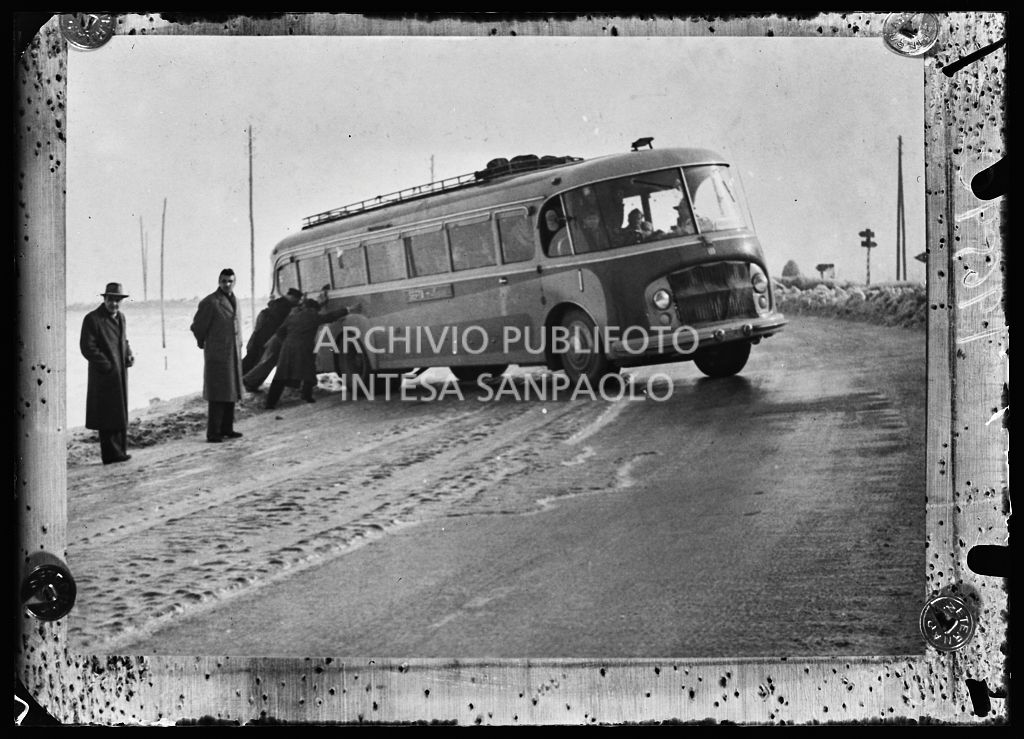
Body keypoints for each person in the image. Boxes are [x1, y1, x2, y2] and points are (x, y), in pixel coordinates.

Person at [265, 294, 361, 409]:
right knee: (308, 371)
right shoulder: (313, 316)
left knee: (281, 375)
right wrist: (348, 310)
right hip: (304, 348)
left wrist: (286, 343)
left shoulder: (293, 316)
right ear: (314, 309)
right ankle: (307, 395)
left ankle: (270, 403)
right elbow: (330, 316)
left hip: (287, 348)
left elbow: (280, 332)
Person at [79, 282, 135, 464]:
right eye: (111, 300)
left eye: (118, 300)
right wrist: (107, 365)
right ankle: (111, 455)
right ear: (105, 299)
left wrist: (129, 355)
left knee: (119, 412)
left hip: (120, 372)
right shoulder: (92, 319)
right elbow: (87, 347)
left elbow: (124, 340)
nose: (114, 304)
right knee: (107, 414)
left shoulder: (121, 318)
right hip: (104, 375)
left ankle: (121, 451)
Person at [190, 268, 244, 443]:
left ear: (234, 282)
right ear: (218, 282)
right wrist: (205, 344)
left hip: (233, 353)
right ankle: (213, 433)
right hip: (218, 355)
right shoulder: (211, 302)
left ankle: (227, 429)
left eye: (230, 281)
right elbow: (197, 327)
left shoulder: (236, 300)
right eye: (224, 281)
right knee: (218, 395)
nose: (227, 284)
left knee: (231, 392)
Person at [241, 287, 302, 376]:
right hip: (268, 336)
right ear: (293, 297)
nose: (298, 302)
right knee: (256, 359)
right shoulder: (285, 306)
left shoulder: (278, 303)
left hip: (261, 333)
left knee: (253, 357)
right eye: (297, 299)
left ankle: (240, 376)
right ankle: (241, 378)